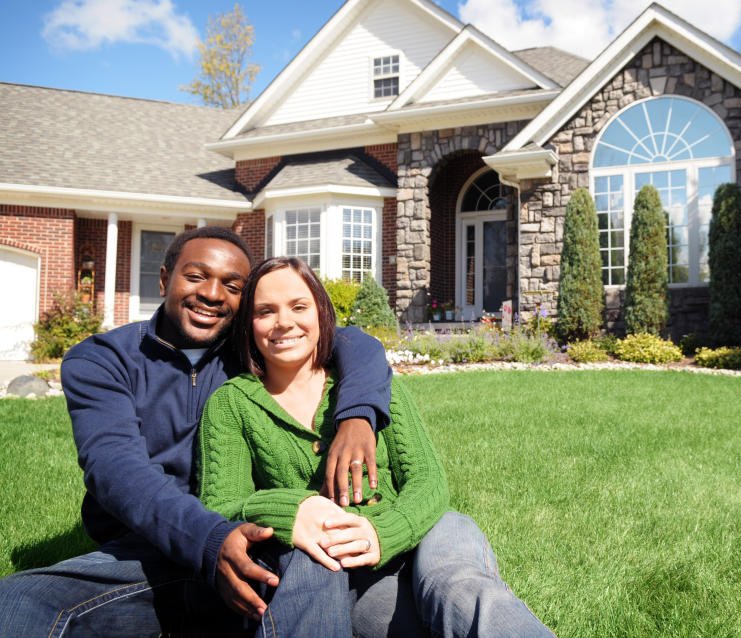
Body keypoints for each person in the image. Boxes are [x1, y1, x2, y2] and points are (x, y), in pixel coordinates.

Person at [0, 227, 392, 637]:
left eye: (232, 285)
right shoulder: (103, 360)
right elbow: (114, 469)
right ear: (165, 277)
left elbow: (355, 344)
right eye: (196, 276)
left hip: (259, 542)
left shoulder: (253, 353)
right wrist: (208, 539)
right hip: (147, 552)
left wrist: (357, 415)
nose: (212, 293)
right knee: (17, 601)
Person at [196, 256, 555, 638]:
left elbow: (428, 480)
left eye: (298, 306)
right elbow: (223, 505)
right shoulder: (232, 404)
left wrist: (384, 531)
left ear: (320, 312)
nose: (284, 322)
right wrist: (292, 509)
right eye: (265, 311)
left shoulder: (371, 384)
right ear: (248, 326)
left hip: (426, 529)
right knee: (403, 627)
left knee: (458, 590)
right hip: (354, 574)